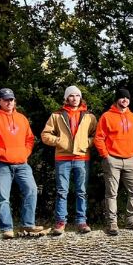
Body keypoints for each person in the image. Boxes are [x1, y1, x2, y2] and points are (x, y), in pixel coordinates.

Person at [0, 88, 44, 239]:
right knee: (3, 197)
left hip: (22, 163)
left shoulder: (22, 118)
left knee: (32, 190)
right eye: (6, 99)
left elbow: (30, 139)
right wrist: (4, 154)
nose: (9, 102)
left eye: (11, 99)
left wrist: (25, 153)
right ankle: (6, 229)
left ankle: (28, 224)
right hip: (2, 164)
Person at [41, 85, 97, 235]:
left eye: (77, 96)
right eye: (71, 96)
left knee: (81, 192)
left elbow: (96, 136)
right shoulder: (57, 115)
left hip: (82, 157)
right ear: (66, 98)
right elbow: (45, 135)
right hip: (63, 158)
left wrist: (86, 143)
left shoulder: (89, 116)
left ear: (81, 97)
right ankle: (60, 222)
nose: (74, 98)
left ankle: (81, 222)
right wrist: (59, 141)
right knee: (61, 191)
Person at [94, 87, 133, 235]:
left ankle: (131, 220)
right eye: (122, 97)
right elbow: (99, 138)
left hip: (130, 159)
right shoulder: (107, 116)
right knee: (112, 192)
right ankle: (112, 223)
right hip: (112, 160)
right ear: (117, 99)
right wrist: (105, 155)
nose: (125, 100)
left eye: (127, 98)